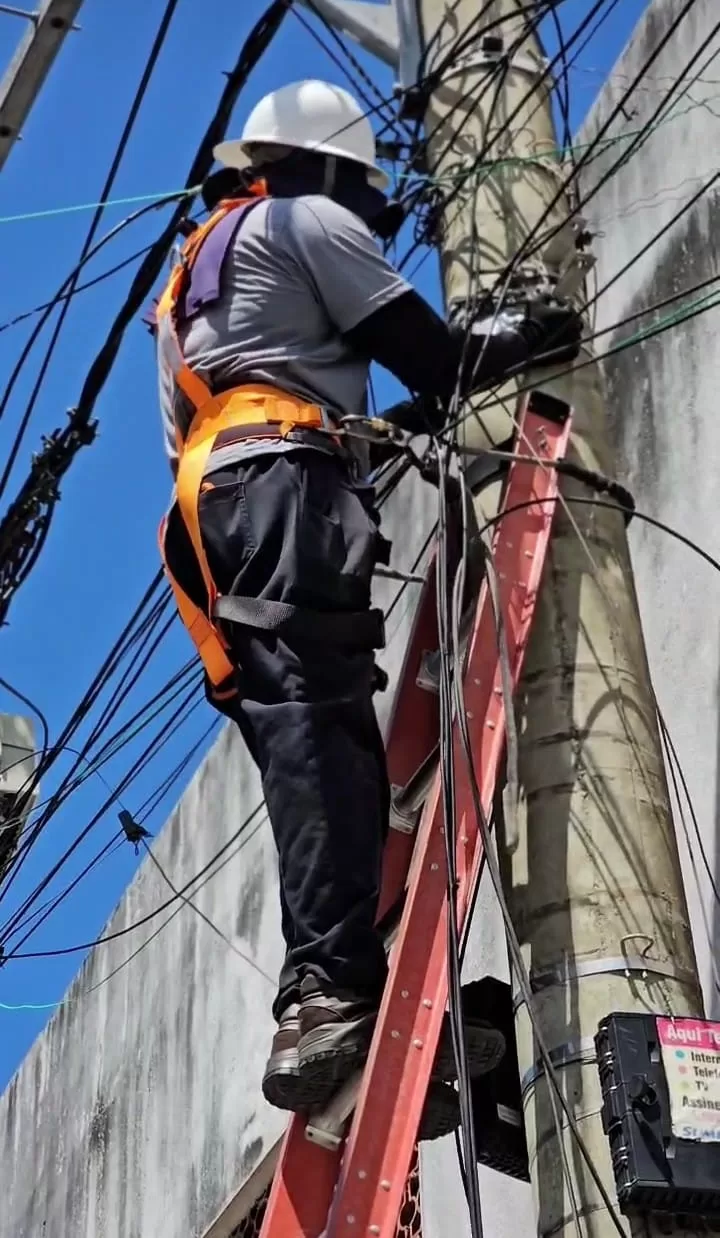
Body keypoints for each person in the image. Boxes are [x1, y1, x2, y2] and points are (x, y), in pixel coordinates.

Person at [151, 80, 582, 1128]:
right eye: (366, 199)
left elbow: (290, 387)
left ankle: (340, 995)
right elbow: (439, 357)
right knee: (321, 729)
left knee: (317, 739)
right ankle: (327, 993)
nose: (370, 222)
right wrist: (533, 331)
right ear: (329, 169)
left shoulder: (198, 274)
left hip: (219, 508)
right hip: (280, 484)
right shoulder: (307, 219)